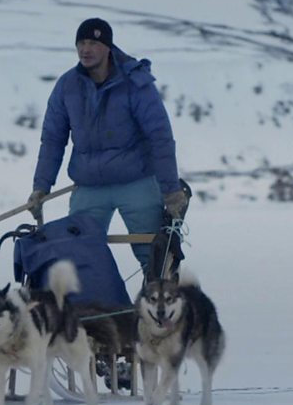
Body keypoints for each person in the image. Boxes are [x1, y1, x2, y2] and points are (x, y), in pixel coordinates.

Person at [27, 18, 186, 274]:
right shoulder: (67, 86)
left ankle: (158, 310)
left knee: (156, 257)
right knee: (78, 256)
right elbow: (53, 140)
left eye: (93, 43)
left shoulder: (136, 84)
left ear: (108, 47)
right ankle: (92, 311)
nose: (85, 49)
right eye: (81, 43)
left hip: (137, 182)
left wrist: (171, 191)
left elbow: (160, 137)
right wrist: (40, 187)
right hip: (90, 187)